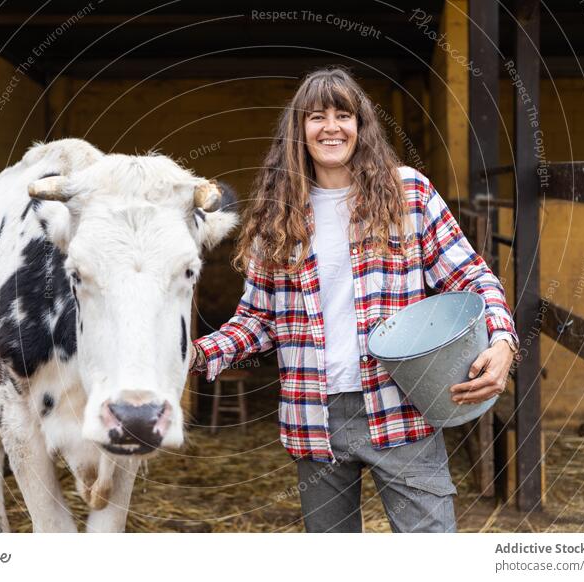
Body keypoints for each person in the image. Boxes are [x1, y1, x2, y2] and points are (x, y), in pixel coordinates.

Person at [189, 67, 518, 533]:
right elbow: (259, 319)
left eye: (343, 115)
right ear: (298, 130)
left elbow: (471, 275)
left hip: (402, 404)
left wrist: (503, 340)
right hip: (315, 415)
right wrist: (198, 353)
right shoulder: (276, 216)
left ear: (361, 126)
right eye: (316, 116)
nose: (331, 127)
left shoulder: (409, 194)